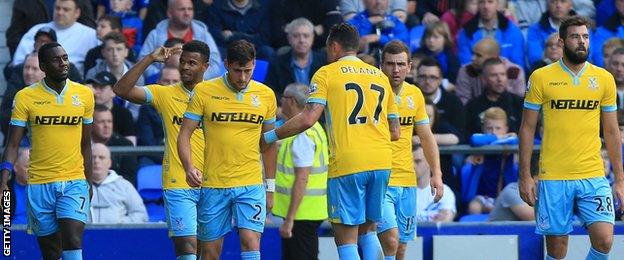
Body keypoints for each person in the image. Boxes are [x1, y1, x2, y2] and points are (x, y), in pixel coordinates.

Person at [262, 23, 405, 260]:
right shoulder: (381, 77)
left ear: (334, 46)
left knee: (346, 238)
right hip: (381, 161)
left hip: (349, 163)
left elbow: (309, 118)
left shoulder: (327, 73)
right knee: (368, 230)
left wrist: (269, 136)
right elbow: (395, 131)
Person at [519, 16, 624, 260]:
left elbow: (611, 132)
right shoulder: (541, 77)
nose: (581, 42)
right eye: (575, 37)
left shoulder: (604, 79)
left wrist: (619, 179)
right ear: (562, 41)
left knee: (605, 239)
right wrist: (525, 175)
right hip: (554, 176)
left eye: (585, 37)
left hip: (593, 173)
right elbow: (526, 128)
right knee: (557, 251)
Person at [178, 39, 277, 260]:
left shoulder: (266, 95)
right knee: (211, 252)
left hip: (250, 184)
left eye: (248, 71)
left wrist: (270, 188)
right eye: (237, 71)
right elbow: (184, 134)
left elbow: (268, 144)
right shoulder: (204, 91)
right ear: (226, 64)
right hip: (214, 184)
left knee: (251, 242)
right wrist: (188, 167)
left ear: (254, 65)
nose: (242, 77)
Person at [113, 40, 209, 259]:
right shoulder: (165, 94)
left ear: (205, 66)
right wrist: (149, 59)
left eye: (192, 63)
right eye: (182, 62)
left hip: (212, 181)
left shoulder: (216, 95)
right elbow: (121, 90)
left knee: (206, 247)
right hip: (178, 180)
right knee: (187, 244)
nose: (184, 67)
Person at [0, 42, 94, 260]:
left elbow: (86, 144)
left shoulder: (84, 95)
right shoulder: (25, 97)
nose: (63, 63)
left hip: (74, 181)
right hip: (40, 183)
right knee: (50, 252)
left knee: (72, 239)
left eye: (65, 58)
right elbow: (13, 144)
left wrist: (88, 182)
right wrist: (4, 179)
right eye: (56, 59)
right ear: (43, 66)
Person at [377, 40, 445, 260]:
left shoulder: (414, 94)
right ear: (381, 65)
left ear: (409, 66)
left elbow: (426, 136)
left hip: (407, 179)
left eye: (400, 64)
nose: (395, 70)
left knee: (402, 246)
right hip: (380, 177)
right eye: (390, 64)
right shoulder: (373, 92)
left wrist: (437, 173)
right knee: (390, 239)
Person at [272, 83, 329, 260]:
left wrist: (290, 219)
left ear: (293, 102)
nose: (281, 101)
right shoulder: (312, 128)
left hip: (301, 214)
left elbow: (302, 178)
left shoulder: (303, 133)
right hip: (307, 211)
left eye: (284, 98)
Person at [139, 0, 222, 80]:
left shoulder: (203, 34)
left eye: (190, 9)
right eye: (182, 9)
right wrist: (165, 75)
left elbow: (215, 64)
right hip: (163, 84)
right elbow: (142, 60)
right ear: (170, 13)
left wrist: (194, 78)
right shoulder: (155, 34)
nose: (187, 13)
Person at [11, 0, 99, 73]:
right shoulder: (37, 30)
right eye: (57, 8)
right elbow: (18, 61)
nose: (60, 12)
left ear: (77, 13)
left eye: (66, 9)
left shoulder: (90, 34)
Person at [265, 18, 327, 99]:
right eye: (296, 36)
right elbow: (270, 94)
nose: (301, 40)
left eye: (306, 36)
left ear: (313, 38)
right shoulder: (276, 63)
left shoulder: (325, 62)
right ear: (289, 39)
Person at [89, 143, 148, 224]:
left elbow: (141, 215)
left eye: (101, 158)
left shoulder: (124, 186)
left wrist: (120, 224)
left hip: (118, 235)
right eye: (92, 157)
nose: (96, 161)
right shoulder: (77, 187)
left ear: (109, 163)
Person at [465, 57, 524, 137]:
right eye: (494, 75)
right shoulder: (472, 106)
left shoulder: (519, 104)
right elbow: (466, 135)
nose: (499, 79)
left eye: (502, 74)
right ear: (483, 79)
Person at [457, 0, 525, 68]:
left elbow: (518, 66)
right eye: (482, 2)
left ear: (497, 4)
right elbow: (466, 66)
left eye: (490, 2)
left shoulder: (513, 31)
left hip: (506, 76)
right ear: (478, 4)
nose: (486, 6)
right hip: (475, 76)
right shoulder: (466, 32)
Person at [414, 146, 456, 222]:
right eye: (410, 162)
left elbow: (444, 223)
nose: (412, 166)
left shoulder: (445, 191)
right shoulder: (400, 191)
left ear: (430, 162)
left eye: (417, 161)